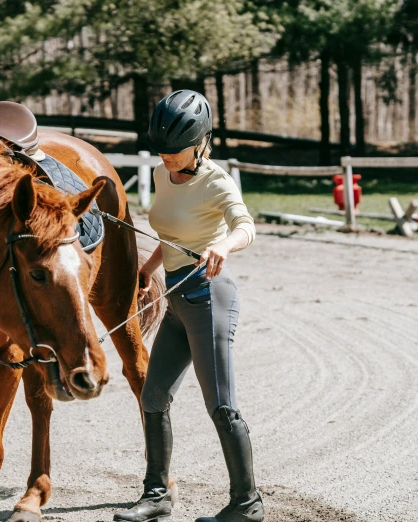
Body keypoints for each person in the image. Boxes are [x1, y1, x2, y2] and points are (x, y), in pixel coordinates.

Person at [114, 90, 262, 522]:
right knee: (153, 397)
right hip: (176, 297)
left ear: (200, 144)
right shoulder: (164, 175)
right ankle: (157, 495)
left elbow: (245, 225)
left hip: (208, 296)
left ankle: (247, 504)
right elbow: (172, 236)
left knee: (221, 404)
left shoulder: (216, 181)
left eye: (175, 152)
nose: (166, 159)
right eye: (161, 151)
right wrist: (149, 268)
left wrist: (224, 245)